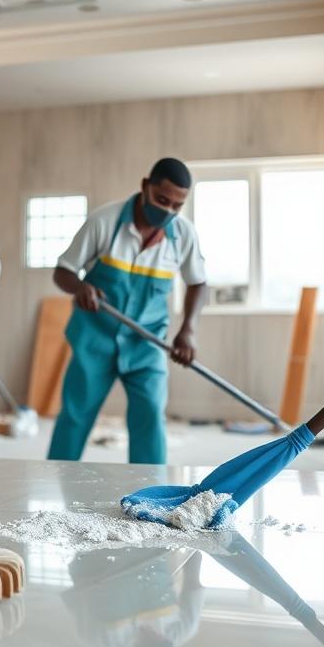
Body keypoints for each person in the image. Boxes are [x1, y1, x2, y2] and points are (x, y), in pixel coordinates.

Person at [47, 157, 206, 464]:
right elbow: (62, 272)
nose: (168, 211)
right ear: (145, 186)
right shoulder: (103, 222)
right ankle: (57, 477)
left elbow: (198, 283)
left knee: (149, 417)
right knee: (76, 415)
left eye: (177, 205)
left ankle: (148, 496)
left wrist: (188, 330)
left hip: (146, 343)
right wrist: (80, 288)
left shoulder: (183, 235)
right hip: (94, 339)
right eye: (162, 200)